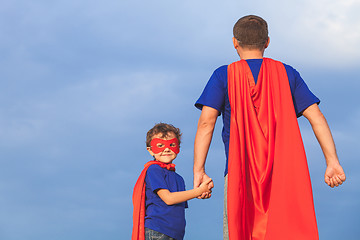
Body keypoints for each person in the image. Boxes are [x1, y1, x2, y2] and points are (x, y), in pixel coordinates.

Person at [193, 15, 346, 240]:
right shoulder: (287, 73)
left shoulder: (223, 75)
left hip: (239, 171)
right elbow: (316, 116)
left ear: (235, 42)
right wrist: (332, 161)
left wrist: (199, 169)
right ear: (267, 42)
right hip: (285, 174)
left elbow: (207, 122)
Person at [132, 123, 213, 240]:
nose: (166, 149)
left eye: (172, 145)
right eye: (160, 145)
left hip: (175, 233)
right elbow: (169, 199)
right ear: (150, 150)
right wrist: (198, 191)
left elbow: (179, 202)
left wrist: (202, 192)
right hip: (157, 230)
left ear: (178, 148)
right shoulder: (153, 169)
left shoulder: (179, 178)